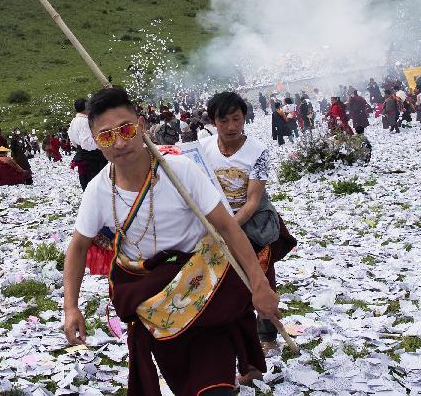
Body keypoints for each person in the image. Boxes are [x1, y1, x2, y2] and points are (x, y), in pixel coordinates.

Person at [63, 87, 283, 395]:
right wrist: (71, 307)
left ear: (141, 126)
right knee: (184, 381)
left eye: (126, 129)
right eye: (107, 136)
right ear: (96, 141)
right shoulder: (98, 190)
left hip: (204, 287)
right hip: (157, 305)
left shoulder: (179, 171)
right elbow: (77, 247)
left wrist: (259, 283)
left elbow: (227, 227)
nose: (120, 143)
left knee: (214, 387)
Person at [200, 92, 296, 355]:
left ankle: (268, 335)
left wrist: (229, 227)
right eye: (224, 121)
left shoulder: (257, 151)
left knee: (261, 275)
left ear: (244, 118)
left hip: (253, 224)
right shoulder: (203, 149)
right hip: (216, 222)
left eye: (237, 119)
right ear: (213, 121)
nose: (231, 127)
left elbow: (253, 200)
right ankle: (229, 333)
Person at [68, 98, 109, 190]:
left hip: (83, 156)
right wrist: (102, 143)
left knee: (87, 185)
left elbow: (72, 141)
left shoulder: (74, 121)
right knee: (98, 185)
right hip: (92, 159)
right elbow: (87, 143)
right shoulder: (84, 121)